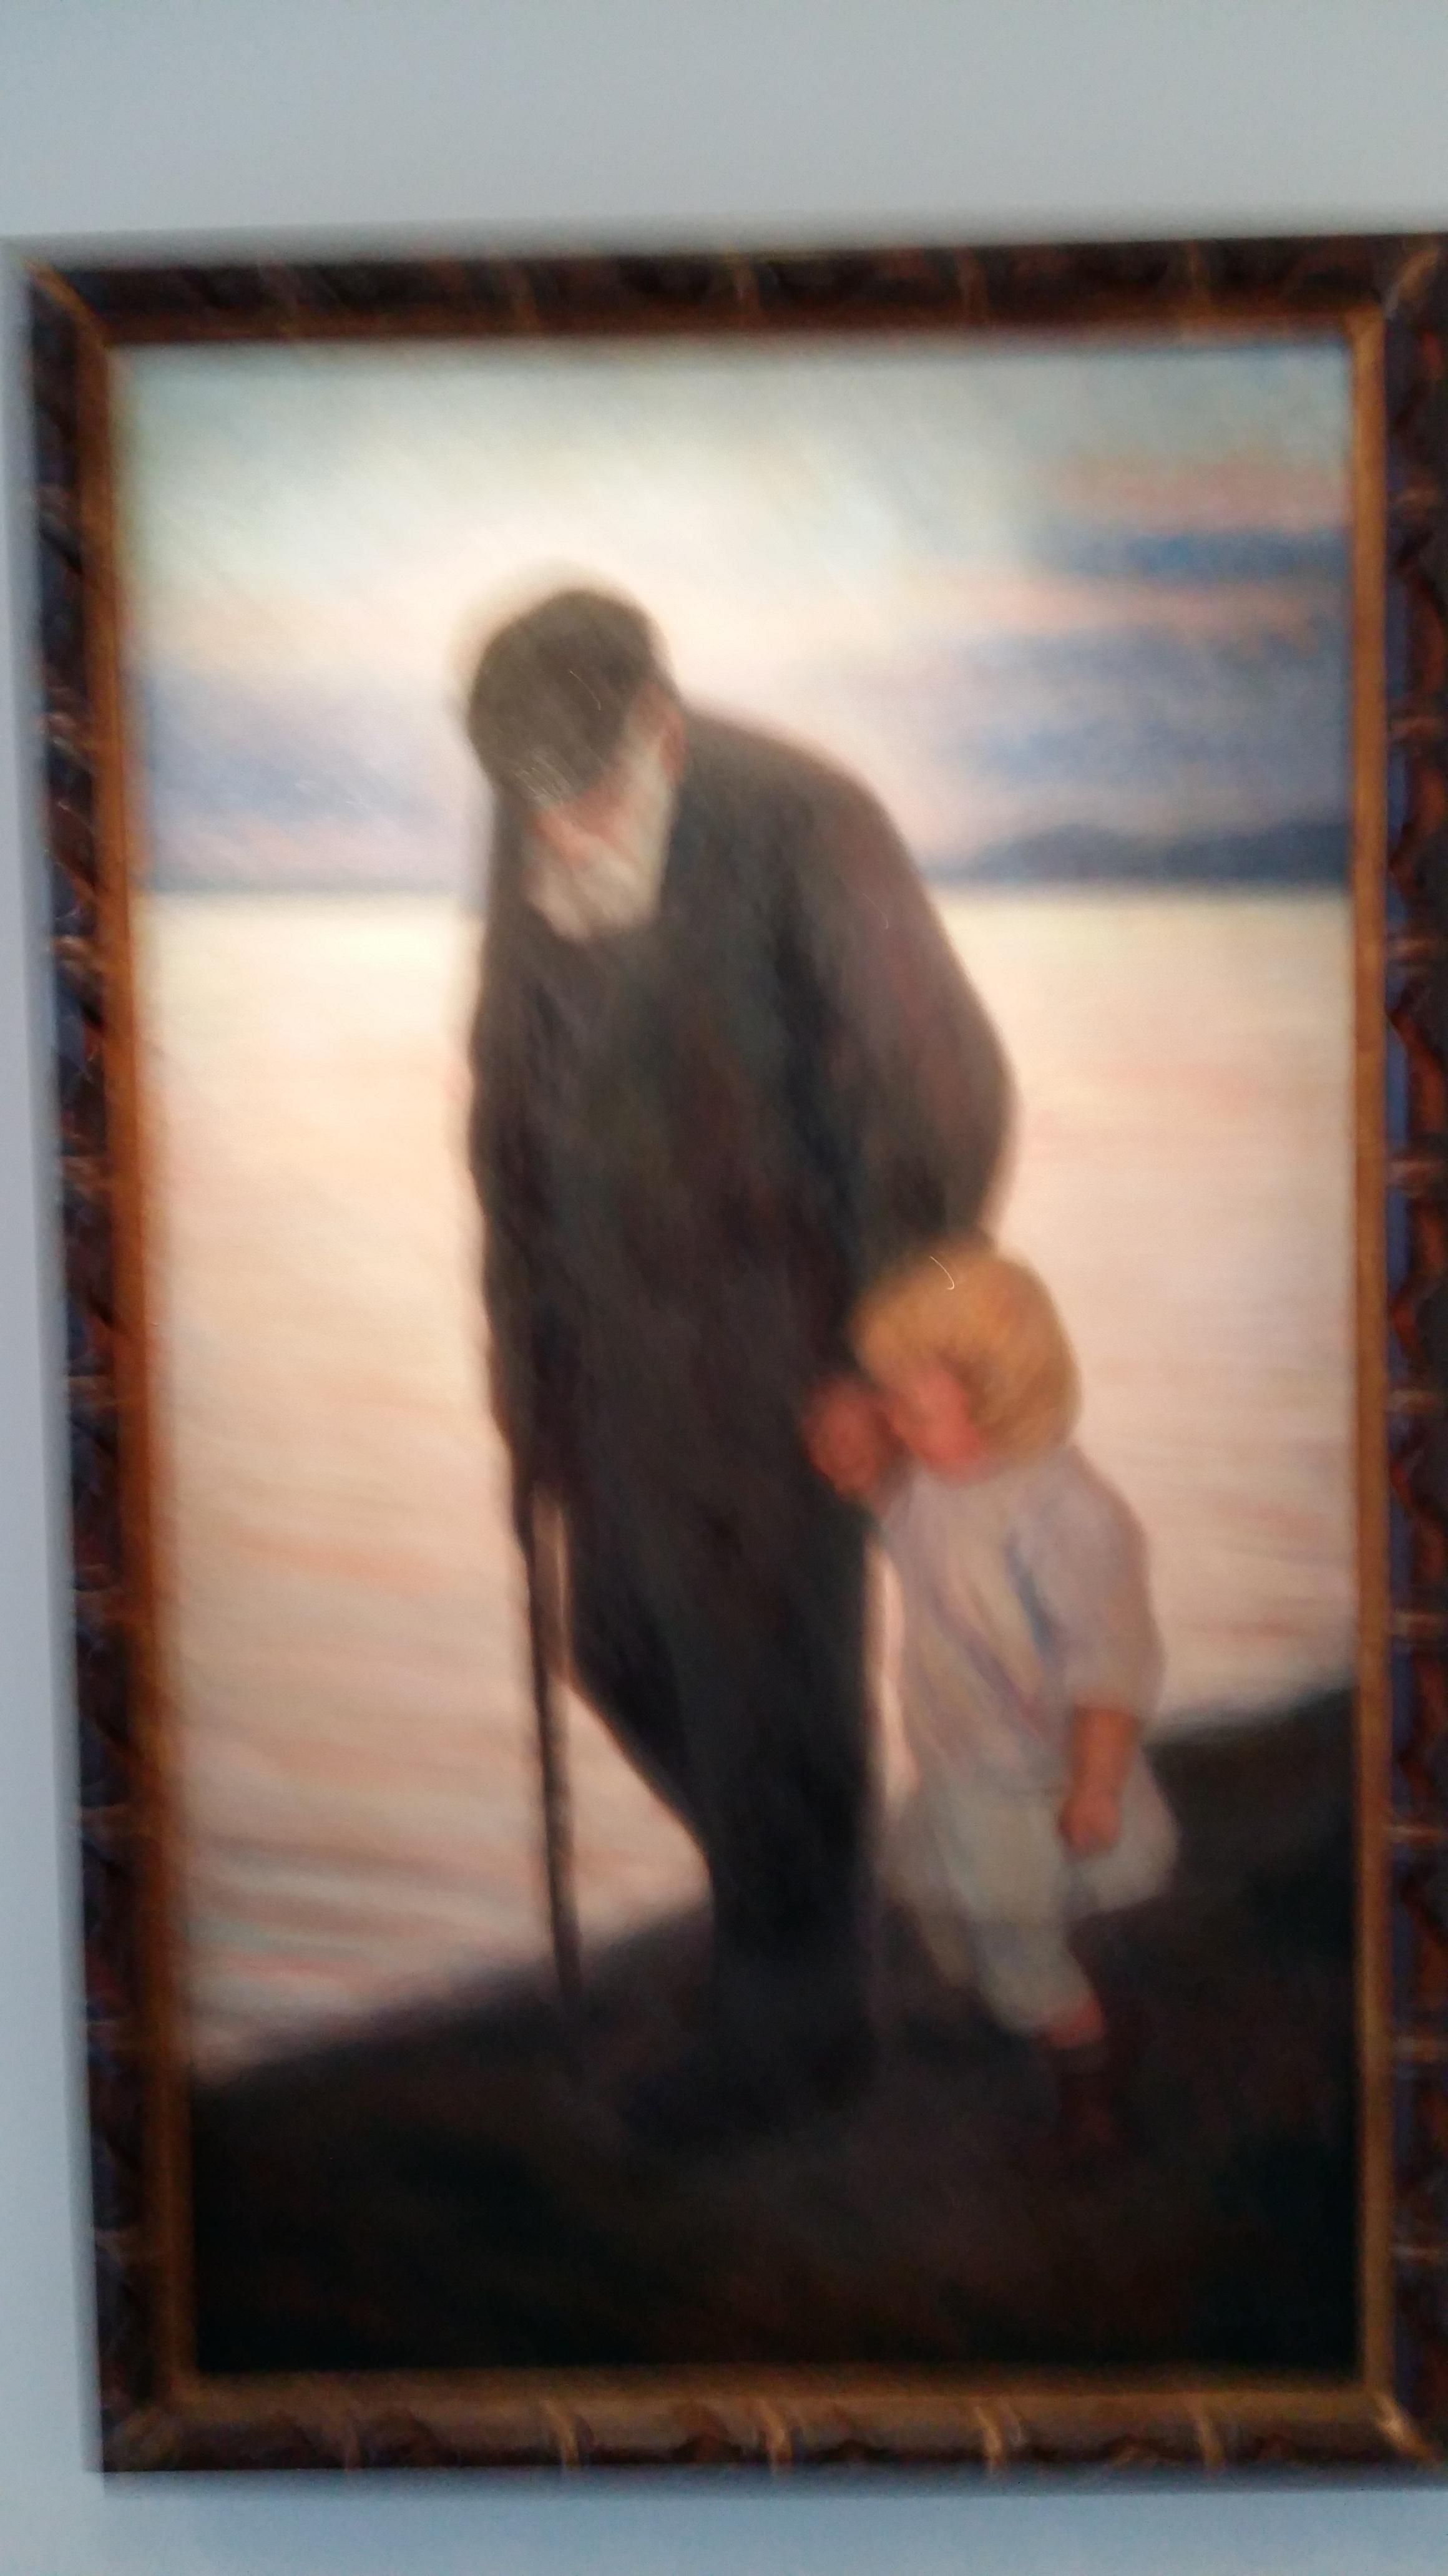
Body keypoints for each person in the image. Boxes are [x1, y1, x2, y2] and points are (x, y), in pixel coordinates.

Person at [463, 585, 1010, 2148]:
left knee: (773, 1691)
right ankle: (818, 1929)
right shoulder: (530, 804)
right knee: (620, 1653)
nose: (559, 834)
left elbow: (944, 1099)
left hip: (789, 1362)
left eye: (585, 798)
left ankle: (794, 2033)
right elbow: (506, 1103)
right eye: (535, 806)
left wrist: (871, 1363)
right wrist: (524, 1378)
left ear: (658, 729)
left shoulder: (807, 825)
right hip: (605, 1360)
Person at [810, 1237, 1178, 2158]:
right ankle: (1075, 2020)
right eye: (892, 1401)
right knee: (963, 1921)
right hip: (961, 1762)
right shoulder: (942, 1480)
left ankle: (1090, 2091)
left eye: (915, 1408)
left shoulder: (1065, 1514)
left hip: (1030, 1780)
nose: (896, 1425)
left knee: (1017, 1953)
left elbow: (1110, 1664)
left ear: (1000, 1403)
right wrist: (855, 1451)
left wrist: (1095, 1784)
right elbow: (895, 1513)